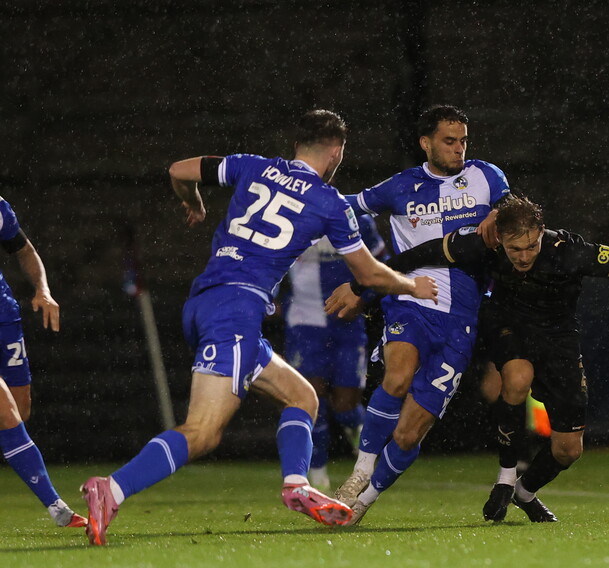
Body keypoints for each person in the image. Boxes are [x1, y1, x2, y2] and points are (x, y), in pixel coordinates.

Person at [80, 110, 438, 546]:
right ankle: (112, 488)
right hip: (237, 309)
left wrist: (192, 200)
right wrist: (412, 285)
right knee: (203, 431)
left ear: (296, 144)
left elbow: (178, 170)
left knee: (302, 397)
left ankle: (296, 484)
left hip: (206, 301)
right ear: (337, 152)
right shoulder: (329, 203)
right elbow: (370, 275)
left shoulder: (254, 165)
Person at [327, 195, 609, 523]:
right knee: (516, 379)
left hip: (559, 339)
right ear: (498, 239)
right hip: (507, 326)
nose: (523, 256)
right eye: (514, 248)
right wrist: (362, 289)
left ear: (542, 232)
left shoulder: (570, 251)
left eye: (531, 246)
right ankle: (505, 476)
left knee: (568, 450)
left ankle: (524, 491)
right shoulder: (480, 245)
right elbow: (417, 255)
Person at [332, 104, 510, 525]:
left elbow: (514, 214)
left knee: (410, 433)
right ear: (425, 142)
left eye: (463, 140)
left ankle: (362, 503)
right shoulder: (400, 186)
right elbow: (345, 206)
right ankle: (357, 475)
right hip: (412, 296)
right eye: (449, 141)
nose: (458, 149)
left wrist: (503, 213)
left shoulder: (487, 176)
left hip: (462, 316)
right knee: (396, 376)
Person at [0, 196, 87, 529]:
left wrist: (43, 289)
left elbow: (23, 250)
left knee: (20, 412)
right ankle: (57, 508)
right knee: (7, 413)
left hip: (5, 317)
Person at [283, 213, 387, 489]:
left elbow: (380, 263)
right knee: (310, 397)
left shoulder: (356, 219)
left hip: (347, 323)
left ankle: (359, 440)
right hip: (305, 322)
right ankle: (316, 475)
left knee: (345, 404)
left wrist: (365, 298)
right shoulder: (288, 214)